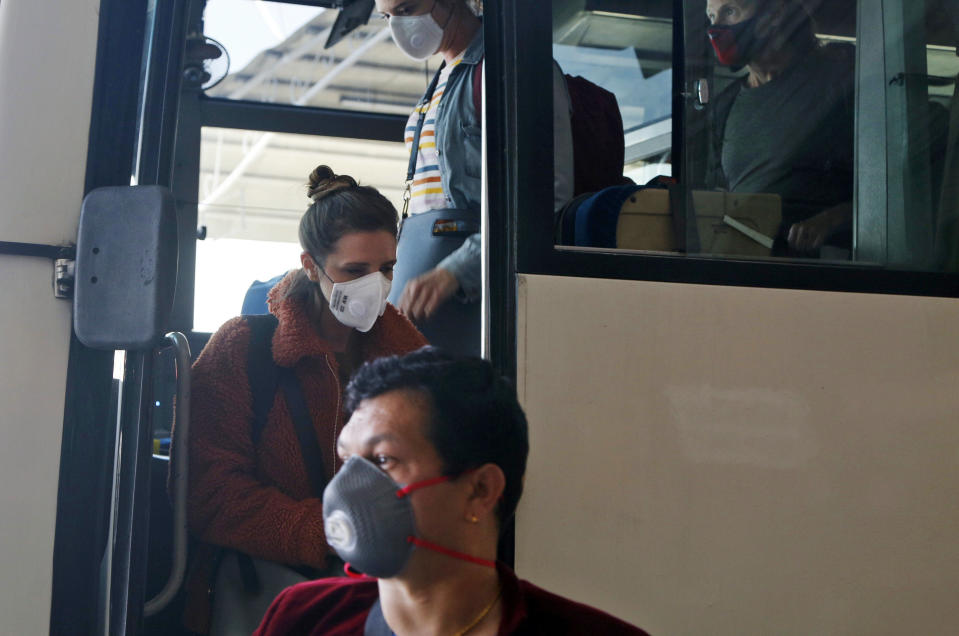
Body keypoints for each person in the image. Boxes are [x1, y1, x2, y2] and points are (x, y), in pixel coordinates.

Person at [181, 165, 428, 633]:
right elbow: (209, 491)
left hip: (383, 595)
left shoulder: (412, 359)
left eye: (387, 268)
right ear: (310, 265)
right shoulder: (243, 349)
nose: (375, 285)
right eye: (354, 271)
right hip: (266, 590)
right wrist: (330, 532)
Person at [253, 347, 650, 635]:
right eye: (348, 461)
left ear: (480, 490)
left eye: (384, 461)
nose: (346, 490)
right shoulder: (301, 618)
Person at [377, 0, 573, 355]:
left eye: (407, 8)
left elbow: (546, 194)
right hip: (433, 297)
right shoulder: (440, 80)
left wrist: (455, 271)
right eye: (386, 16)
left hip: (477, 296)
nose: (397, 26)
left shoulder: (511, 69)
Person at [705, 0, 854, 256]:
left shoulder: (837, 82)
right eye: (711, 16)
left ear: (773, 15)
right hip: (743, 268)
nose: (716, 27)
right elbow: (717, 196)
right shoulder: (725, 105)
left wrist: (831, 221)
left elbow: (887, 184)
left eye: (730, 12)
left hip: (821, 271)